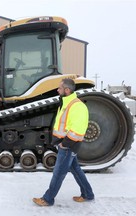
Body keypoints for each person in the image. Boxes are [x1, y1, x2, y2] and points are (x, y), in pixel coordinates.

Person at [33, 78, 94, 206]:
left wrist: (64, 144)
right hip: (66, 144)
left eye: (59, 88)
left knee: (58, 173)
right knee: (76, 169)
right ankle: (88, 194)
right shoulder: (66, 103)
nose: (57, 90)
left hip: (68, 146)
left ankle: (48, 199)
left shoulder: (77, 106)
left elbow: (78, 129)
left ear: (67, 90)